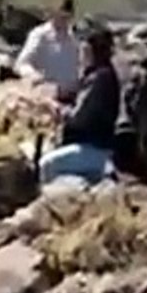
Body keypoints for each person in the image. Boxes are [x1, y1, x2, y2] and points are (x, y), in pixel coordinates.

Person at [37, 27, 120, 185]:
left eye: (84, 50)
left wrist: (54, 107)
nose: (81, 56)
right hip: (92, 146)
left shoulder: (100, 79)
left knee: (46, 164)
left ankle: (50, 203)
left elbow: (78, 118)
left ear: (92, 51)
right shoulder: (99, 75)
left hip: (94, 149)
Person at [15, 0, 81, 96]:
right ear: (53, 14)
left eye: (68, 17)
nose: (65, 21)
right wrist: (34, 76)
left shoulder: (74, 39)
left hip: (71, 97)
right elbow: (21, 64)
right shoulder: (40, 35)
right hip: (47, 96)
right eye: (61, 17)